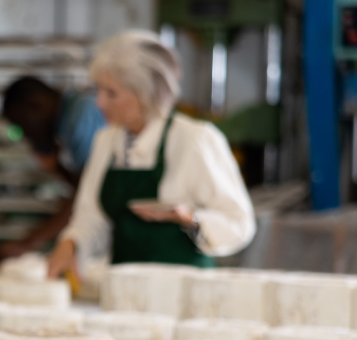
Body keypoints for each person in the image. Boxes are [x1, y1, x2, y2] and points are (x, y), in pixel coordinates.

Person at [47, 30, 255, 280]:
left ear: (144, 94)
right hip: (125, 290)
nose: (99, 103)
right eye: (98, 90)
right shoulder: (107, 142)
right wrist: (72, 243)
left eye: (111, 93)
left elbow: (239, 223)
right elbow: (92, 217)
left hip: (186, 294)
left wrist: (191, 218)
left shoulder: (194, 139)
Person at [0, 76, 105, 261]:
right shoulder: (69, 120)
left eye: (22, 126)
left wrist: (28, 243)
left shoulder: (80, 116)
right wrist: (55, 166)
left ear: (35, 105)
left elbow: (85, 195)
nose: (26, 136)